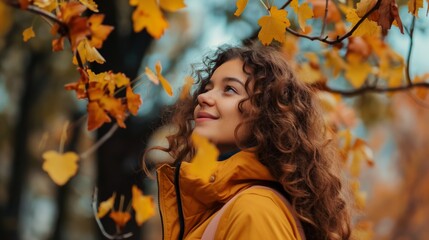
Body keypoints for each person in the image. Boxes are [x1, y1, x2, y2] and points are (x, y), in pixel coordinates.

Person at [147, 42, 351, 240]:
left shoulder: (254, 211)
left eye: (229, 89)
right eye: (208, 88)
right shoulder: (223, 208)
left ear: (267, 114)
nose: (204, 97)